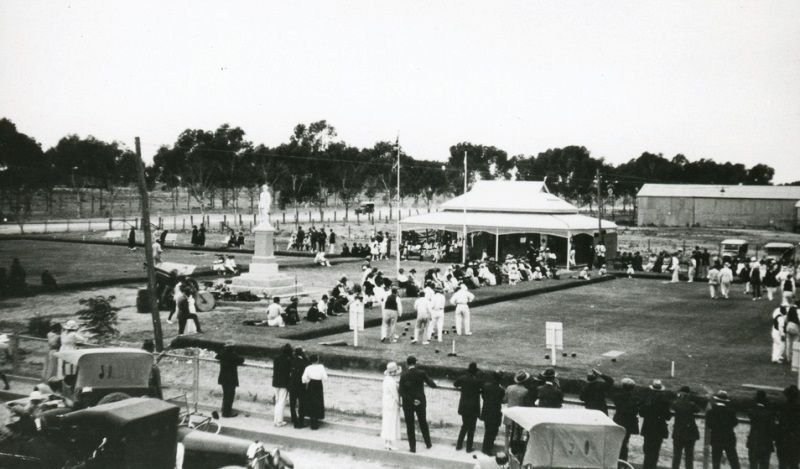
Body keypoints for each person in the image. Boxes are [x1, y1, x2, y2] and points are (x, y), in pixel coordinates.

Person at [399, 355, 437, 453]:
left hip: (408, 403)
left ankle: (413, 448)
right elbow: (431, 384)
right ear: (415, 363)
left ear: (407, 364)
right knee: (423, 422)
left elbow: (401, 392)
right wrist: (435, 384)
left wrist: (411, 400)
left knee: (410, 425)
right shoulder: (421, 373)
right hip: (420, 401)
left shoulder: (403, 375)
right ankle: (428, 443)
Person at [639, 379, 672, 469]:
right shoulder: (665, 401)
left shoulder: (648, 399)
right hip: (659, 428)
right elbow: (668, 416)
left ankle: (646, 467)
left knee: (647, 450)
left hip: (648, 427)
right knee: (655, 451)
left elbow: (641, 413)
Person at [706, 390, 741, 469]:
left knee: (716, 461)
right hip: (729, 438)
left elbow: (709, 424)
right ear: (726, 401)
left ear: (717, 399)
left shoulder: (711, 412)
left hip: (716, 438)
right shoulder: (731, 412)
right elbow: (735, 422)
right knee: (733, 460)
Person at [454, 362, 482, 453]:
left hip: (464, 406)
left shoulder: (463, 378)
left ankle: (459, 445)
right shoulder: (478, 380)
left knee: (464, 426)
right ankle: (468, 447)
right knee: (472, 428)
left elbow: (455, 384)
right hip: (474, 407)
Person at [671, 386, 700, 469]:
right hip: (690, 433)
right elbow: (697, 409)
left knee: (676, 456)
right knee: (689, 457)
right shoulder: (691, 404)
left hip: (678, 433)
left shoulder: (677, 403)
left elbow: (674, 405)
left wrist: (679, 398)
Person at [747, 390, 776, 469]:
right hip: (765, 442)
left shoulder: (751, 412)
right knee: (764, 464)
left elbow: (752, 410)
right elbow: (772, 429)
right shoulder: (769, 414)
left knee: (753, 464)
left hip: (754, 440)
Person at [613, 377, 639, 462]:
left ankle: (617, 460)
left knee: (617, 442)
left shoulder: (618, 396)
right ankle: (623, 461)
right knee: (625, 442)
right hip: (629, 423)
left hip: (619, 421)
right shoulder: (635, 398)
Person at [216, 340, 244, 418]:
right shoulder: (233, 355)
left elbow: (217, 356)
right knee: (230, 396)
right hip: (231, 378)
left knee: (225, 395)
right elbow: (241, 360)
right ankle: (227, 413)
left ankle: (224, 409)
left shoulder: (222, 354)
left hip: (223, 377)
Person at [480, 370, 505, 456]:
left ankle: (486, 448)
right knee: (493, 431)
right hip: (495, 413)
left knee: (488, 431)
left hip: (486, 411)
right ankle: (487, 449)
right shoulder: (501, 390)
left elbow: (483, 396)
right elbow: (502, 400)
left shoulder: (486, 386)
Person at [301, 353, 327, 430]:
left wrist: (308, 381)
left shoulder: (308, 368)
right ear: (317, 360)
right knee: (318, 402)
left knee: (311, 402)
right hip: (318, 385)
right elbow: (325, 378)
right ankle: (316, 421)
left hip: (311, 384)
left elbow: (304, 378)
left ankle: (312, 421)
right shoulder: (321, 367)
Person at [776, 385, 800, 469]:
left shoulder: (784, 408)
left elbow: (781, 426)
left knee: (783, 464)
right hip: (796, 442)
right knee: (794, 465)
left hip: (784, 441)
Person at [381, 361, 402, 450]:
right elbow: (395, 395)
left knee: (387, 422)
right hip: (391, 405)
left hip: (387, 404)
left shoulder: (387, 379)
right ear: (392, 372)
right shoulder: (391, 382)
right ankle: (389, 443)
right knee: (391, 423)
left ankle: (387, 442)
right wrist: (399, 403)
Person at [272, 343, 292, 427]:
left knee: (277, 401)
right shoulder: (288, 360)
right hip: (284, 383)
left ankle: (276, 420)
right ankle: (279, 421)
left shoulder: (276, 358)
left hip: (276, 382)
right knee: (281, 402)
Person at [289, 347, 309, 428]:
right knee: (302, 404)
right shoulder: (304, 362)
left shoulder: (292, 361)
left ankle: (294, 419)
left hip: (293, 385)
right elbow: (308, 362)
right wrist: (304, 355)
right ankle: (300, 421)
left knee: (292, 404)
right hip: (301, 386)